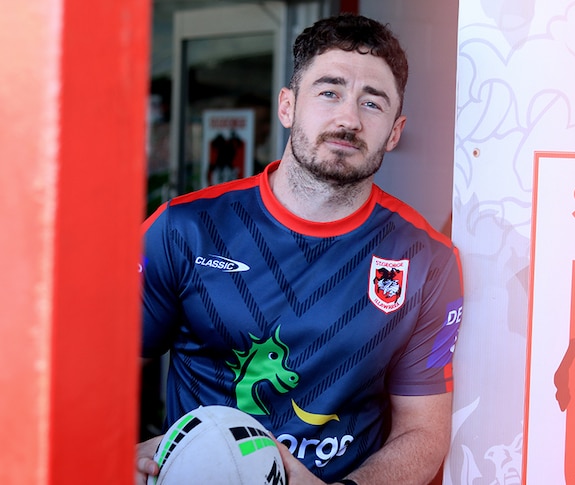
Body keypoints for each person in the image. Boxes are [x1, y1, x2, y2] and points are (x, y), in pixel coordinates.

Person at [135, 14, 464, 485]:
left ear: (394, 131)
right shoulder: (185, 229)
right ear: (287, 106)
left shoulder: (427, 260)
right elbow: (97, 373)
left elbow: (424, 432)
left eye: (372, 103)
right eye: (329, 92)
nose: (348, 118)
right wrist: (112, 454)